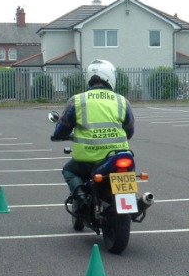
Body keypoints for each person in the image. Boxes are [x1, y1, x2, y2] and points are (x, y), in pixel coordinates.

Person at [50, 59, 135, 202]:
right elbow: (130, 131)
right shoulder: (122, 101)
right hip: (117, 157)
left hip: (87, 159)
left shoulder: (77, 101)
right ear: (111, 77)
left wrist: (60, 135)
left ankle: (80, 193)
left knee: (69, 170)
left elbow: (62, 129)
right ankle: (130, 203)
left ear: (89, 78)